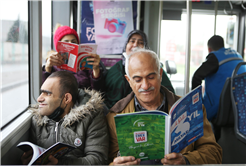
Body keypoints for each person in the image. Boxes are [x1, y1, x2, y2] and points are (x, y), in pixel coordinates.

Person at [106, 48, 222, 165]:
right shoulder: (115, 117)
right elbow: (107, 159)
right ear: (129, 81)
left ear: (160, 75)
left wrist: (186, 160)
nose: (145, 86)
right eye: (138, 79)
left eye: (151, 77)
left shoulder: (191, 107)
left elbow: (214, 153)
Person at [21, 71, 108, 165]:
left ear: (66, 98)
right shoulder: (37, 119)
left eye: (48, 93)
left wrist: (60, 164)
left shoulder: (92, 116)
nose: (39, 99)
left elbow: (98, 159)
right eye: (42, 92)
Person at [104, 30, 175, 109]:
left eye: (140, 42)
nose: (135, 45)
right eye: (132, 41)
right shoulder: (114, 71)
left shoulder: (155, 67)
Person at [192, 35, 246, 121]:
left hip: (220, 109)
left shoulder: (214, 57)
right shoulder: (238, 56)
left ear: (209, 49)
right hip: (241, 107)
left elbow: (196, 77)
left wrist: (197, 103)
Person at [43, 24, 104, 91]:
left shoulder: (85, 60)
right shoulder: (53, 63)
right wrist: (48, 68)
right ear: (58, 46)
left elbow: (97, 90)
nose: (71, 45)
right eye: (66, 43)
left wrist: (96, 70)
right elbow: (46, 90)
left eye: (73, 42)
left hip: (84, 99)